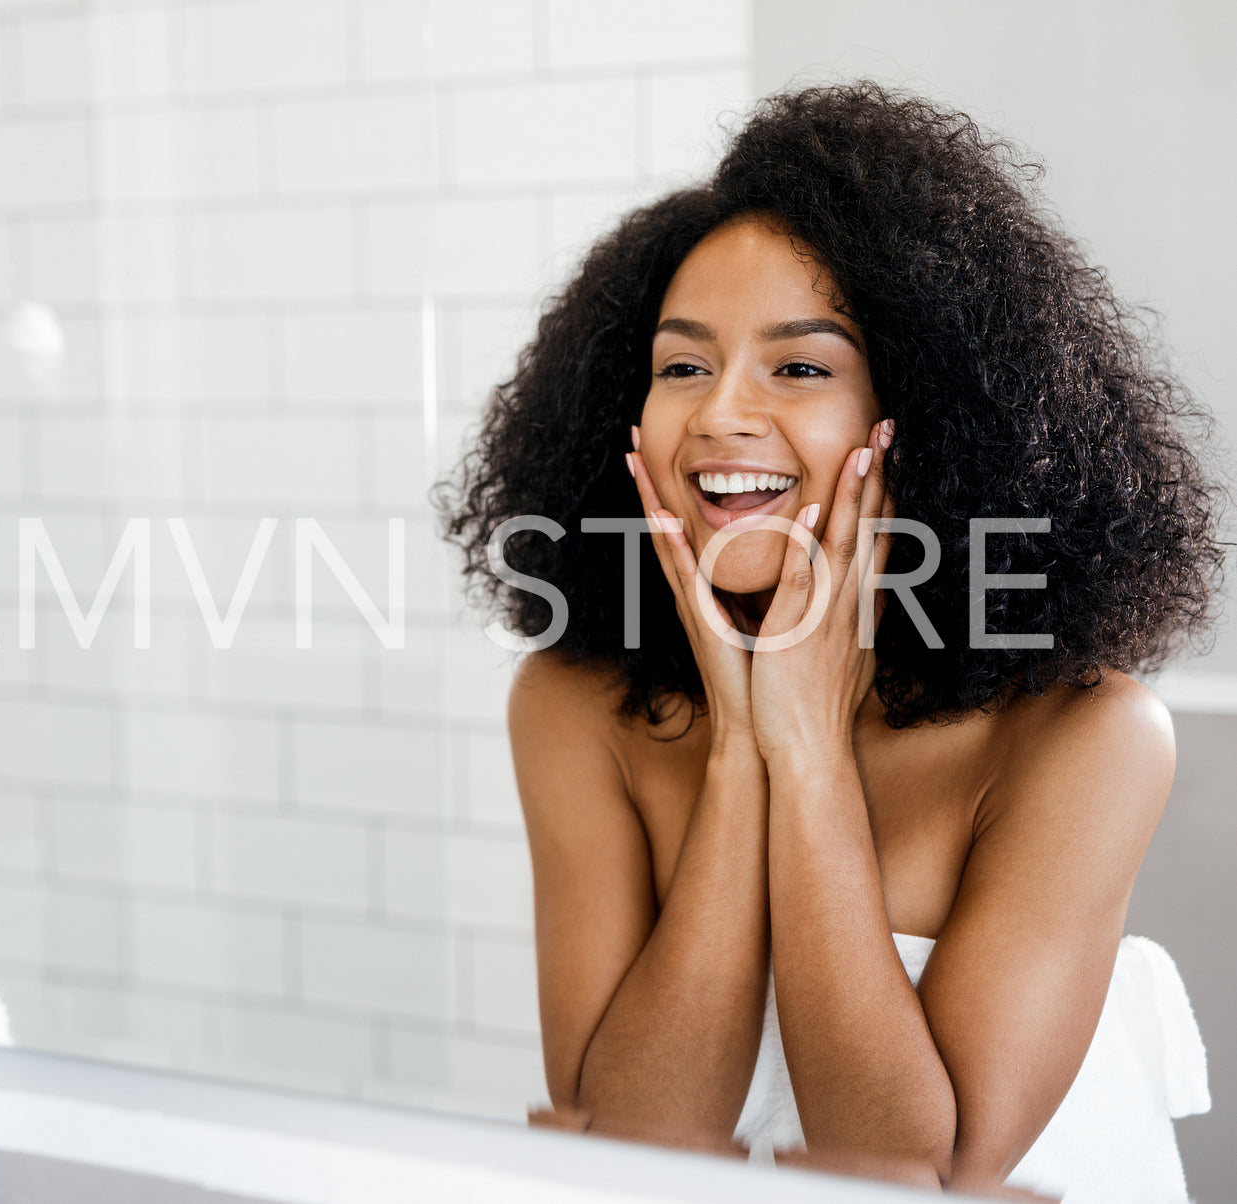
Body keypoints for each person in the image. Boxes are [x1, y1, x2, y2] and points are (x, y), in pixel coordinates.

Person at [436, 82, 1220, 1200]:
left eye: (799, 367)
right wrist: (740, 750)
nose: (716, 416)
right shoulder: (572, 705)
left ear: (932, 416)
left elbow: (915, 1171)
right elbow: (627, 1150)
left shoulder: (1084, 736)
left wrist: (805, 754)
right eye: (680, 365)